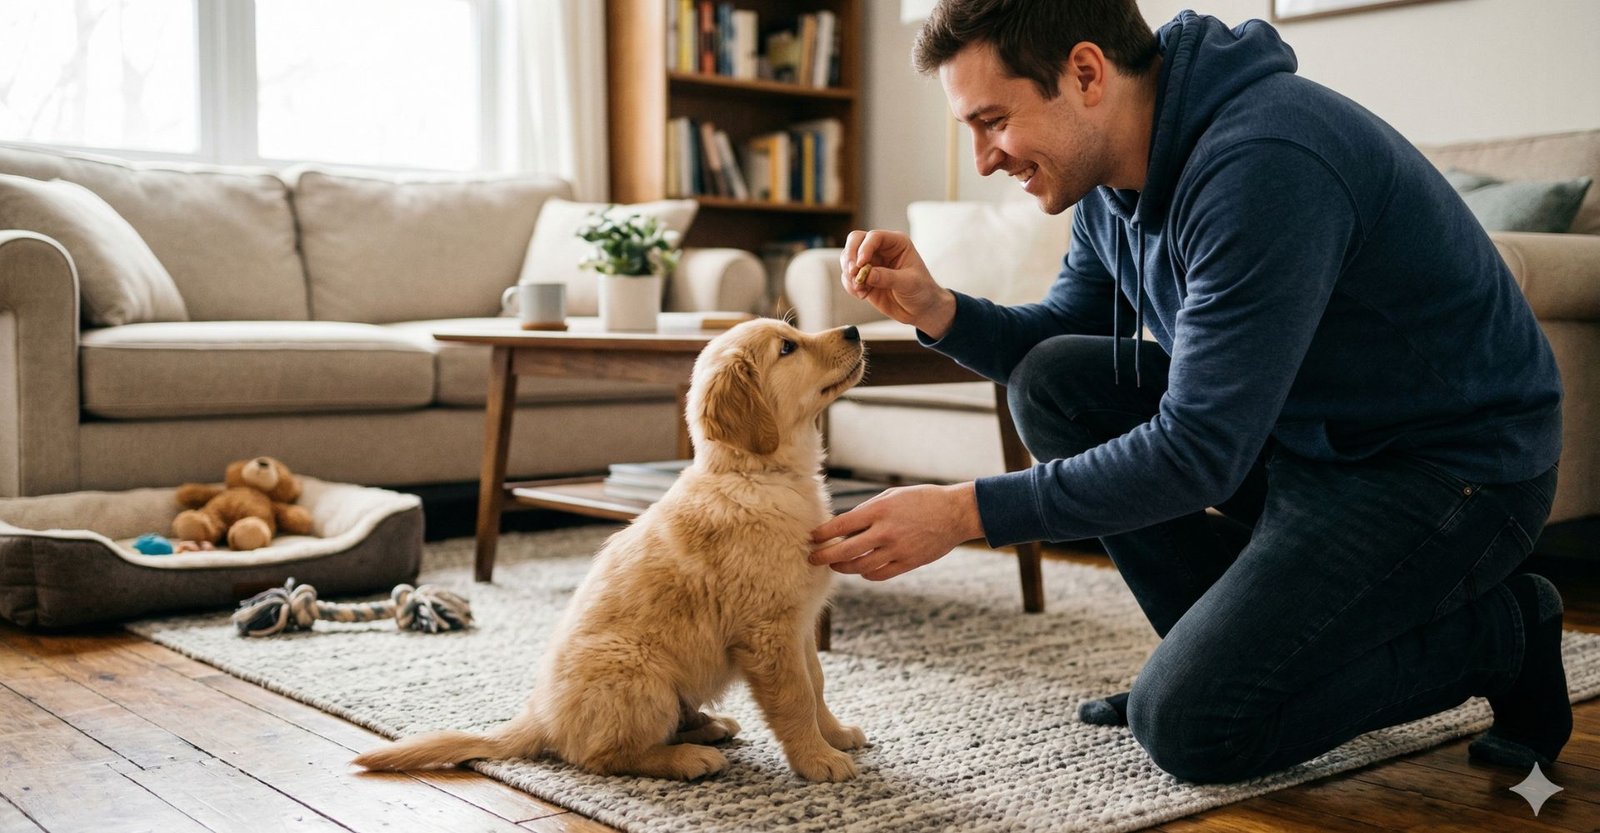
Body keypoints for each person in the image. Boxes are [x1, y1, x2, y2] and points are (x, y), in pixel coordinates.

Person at [808, 0, 1568, 783]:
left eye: (993, 120)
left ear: (1085, 73)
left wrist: (966, 510)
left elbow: (1199, 450)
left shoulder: (1265, 161)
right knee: (1056, 383)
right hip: (1301, 441)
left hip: (1449, 471)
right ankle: (1216, 652)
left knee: (1195, 723)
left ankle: (1507, 630)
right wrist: (937, 309)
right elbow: (1064, 332)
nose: (983, 159)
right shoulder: (1109, 175)